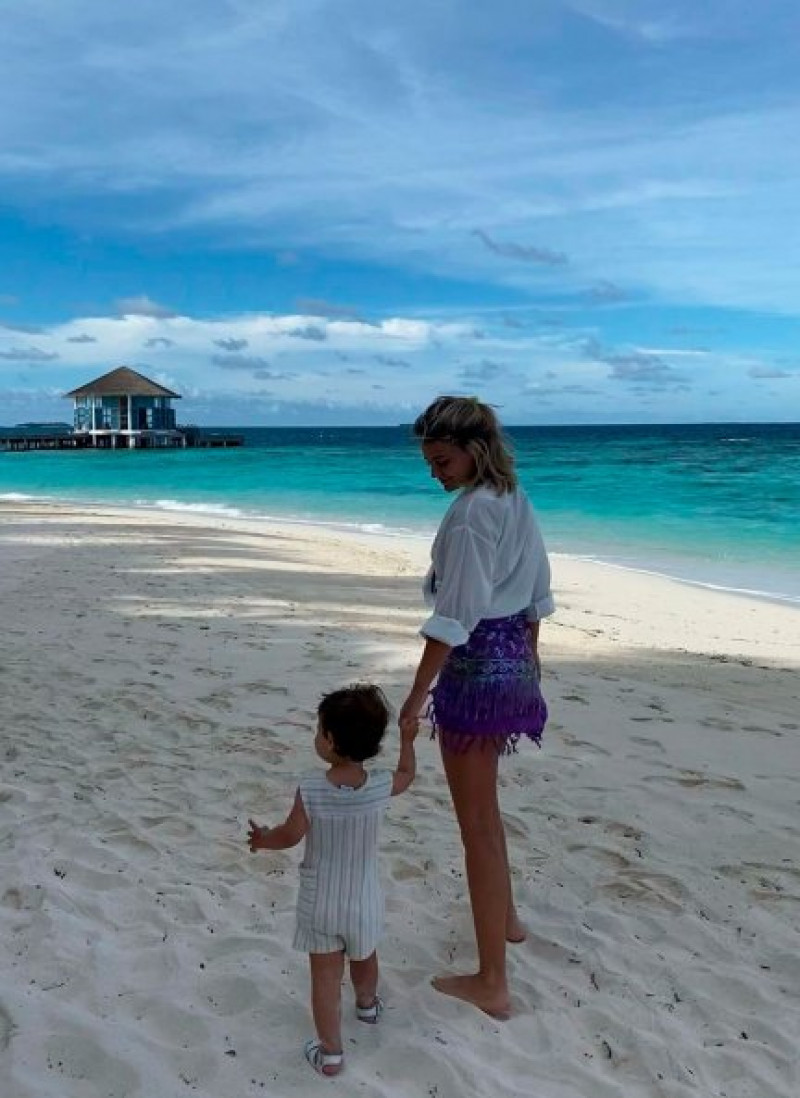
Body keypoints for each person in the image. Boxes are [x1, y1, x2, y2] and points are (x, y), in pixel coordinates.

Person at [398, 395, 554, 1020]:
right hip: (515, 658)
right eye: (430, 462)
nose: (435, 473)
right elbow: (539, 595)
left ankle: (493, 980)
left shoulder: (469, 516)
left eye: (441, 460)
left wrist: (413, 702)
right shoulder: (514, 499)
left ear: (473, 451)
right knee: (487, 814)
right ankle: (507, 920)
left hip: (477, 670)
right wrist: (531, 667)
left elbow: (453, 620)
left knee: (477, 828)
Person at [248, 684, 416, 1077]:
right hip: (363, 897)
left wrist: (262, 840)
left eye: (318, 729)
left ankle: (331, 1053)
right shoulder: (378, 786)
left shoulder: (311, 787)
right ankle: (368, 1006)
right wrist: (408, 741)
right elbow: (407, 775)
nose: (315, 737)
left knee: (325, 978)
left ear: (330, 739)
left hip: (321, 900)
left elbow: (291, 835)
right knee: (365, 957)